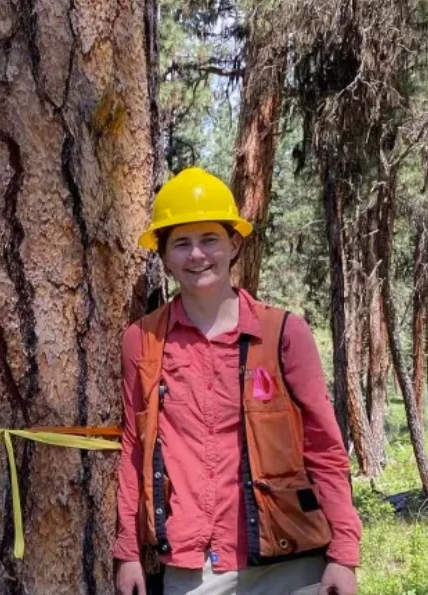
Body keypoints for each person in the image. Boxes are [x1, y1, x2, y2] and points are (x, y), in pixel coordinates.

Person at [113, 168, 361, 595]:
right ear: (164, 256)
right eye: (181, 243)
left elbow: (324, 449)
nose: (197, 255)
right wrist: (128, 552)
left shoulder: (284, 334)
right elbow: (133, 449)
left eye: (209, 239)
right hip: (193, 571)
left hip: (292, 562)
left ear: (234, 244)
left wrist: (344, 554)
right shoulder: (142, 341)